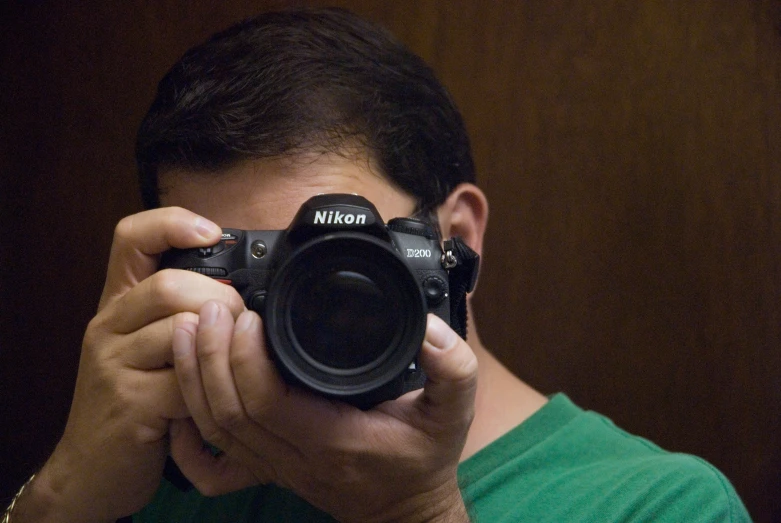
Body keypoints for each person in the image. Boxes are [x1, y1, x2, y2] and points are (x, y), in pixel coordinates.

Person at [5, 7, 750, 523]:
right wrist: (64, 491)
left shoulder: (658, 504)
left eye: (334, 263)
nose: (297, 312)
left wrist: (412, 510)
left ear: (456, 237)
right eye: (250, 272)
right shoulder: (180, 457)